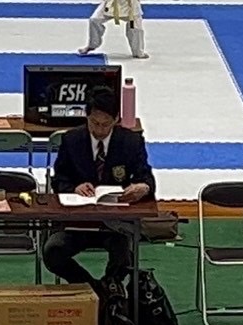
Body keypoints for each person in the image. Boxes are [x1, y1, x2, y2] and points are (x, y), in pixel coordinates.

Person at [43, 86, 155, 293]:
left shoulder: (131, 142)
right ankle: (98, 291)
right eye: (94, 123)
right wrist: (74, 187)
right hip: (77, 223)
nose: (100, 130)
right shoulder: (72, 140)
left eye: (106, 124)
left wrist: (142, 187)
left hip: (115, 224)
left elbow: (146, 178)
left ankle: (110, 288)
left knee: (124, 256)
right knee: (53, 252)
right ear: (87, 117)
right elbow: (59, 179)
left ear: (116, 119)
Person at [79, 0, 148, 59]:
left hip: (130, 6)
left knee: (135, 27)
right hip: (110, 4)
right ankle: (93, 44)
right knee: (94, 20)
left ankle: (138, 52)